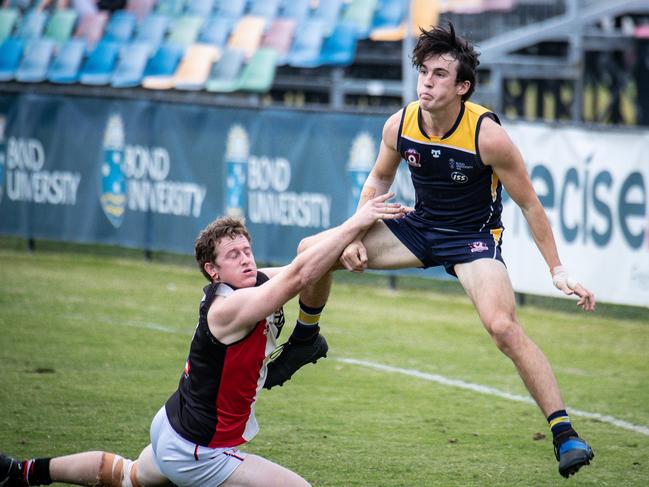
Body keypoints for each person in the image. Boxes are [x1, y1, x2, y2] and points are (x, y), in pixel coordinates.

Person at [266, 23, 596, 479]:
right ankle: (305, 339)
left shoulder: (487, 135)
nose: (427, 81)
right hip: (420, 227)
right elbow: (380, 179)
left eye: (440, 74)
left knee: (502, 328)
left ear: (463, 86)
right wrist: (358, 230)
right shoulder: (400, 123)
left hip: (473, 239)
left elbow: (529, 204)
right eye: (424, 71)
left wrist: (557, 270)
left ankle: (565, 435)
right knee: (312, 249)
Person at [0, 193, 406, 487]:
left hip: (172, 427)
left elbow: (310, 263)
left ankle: (23, 472)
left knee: (124, 476)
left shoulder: (253, 282)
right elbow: (301, 275)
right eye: (234, 256)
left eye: (247, 250)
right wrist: (357, 220)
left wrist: (360, 245)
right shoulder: (226, 309)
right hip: (200, 451)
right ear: (213, 270)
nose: (246, 259)